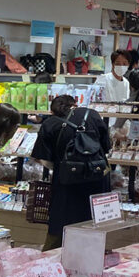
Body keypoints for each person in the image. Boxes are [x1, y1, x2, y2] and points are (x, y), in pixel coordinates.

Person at [32, 96, 111, 250]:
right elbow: (106, 147)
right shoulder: (92, 115)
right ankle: (92, 263)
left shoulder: (50, 123)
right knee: (94, 227)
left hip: (66, 184)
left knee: (60, 227)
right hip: (97, 181)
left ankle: (55, 265)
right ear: (75, 105)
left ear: (52, 111)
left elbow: (43, 160)